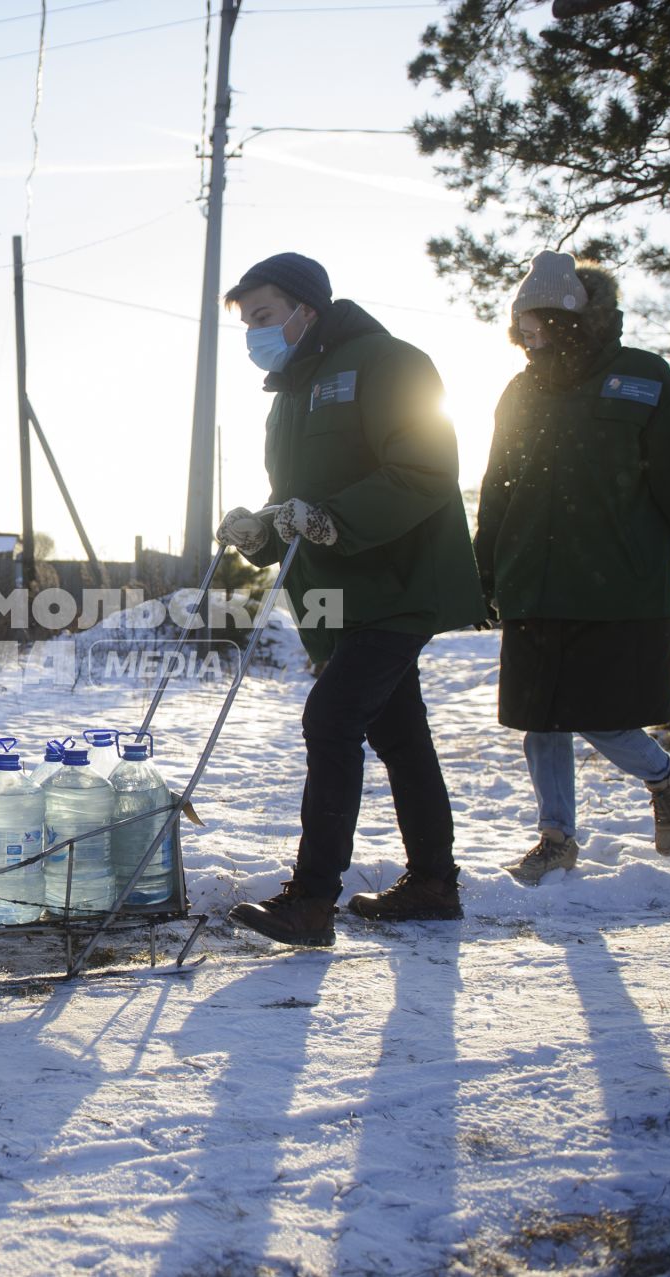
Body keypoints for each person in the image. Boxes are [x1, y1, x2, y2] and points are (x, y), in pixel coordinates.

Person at [212, 252, 485, 947]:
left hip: (399, 581)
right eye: (247, 323)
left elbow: (425, 469)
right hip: (341, 597)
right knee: (399, 733)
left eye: (265, 317)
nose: (255, 334)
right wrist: (260, 530)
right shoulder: (288, 398)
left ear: (308, 307)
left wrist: (333, 518)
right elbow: (296, 511)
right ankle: (432, 883)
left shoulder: (390, 363)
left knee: (331, 719)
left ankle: (312, 901)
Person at [475, 252, 670, 885]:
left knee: (599, 714)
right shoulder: (520, 391)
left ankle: (668, 778)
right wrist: (484, 574)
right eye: (523, 329)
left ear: (573, 318)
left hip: (614, 585)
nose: (530, 339)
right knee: (538, 719)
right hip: (532, 584)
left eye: (539, 325)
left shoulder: (643, 378)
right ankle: (555, 839)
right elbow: (497, 490)